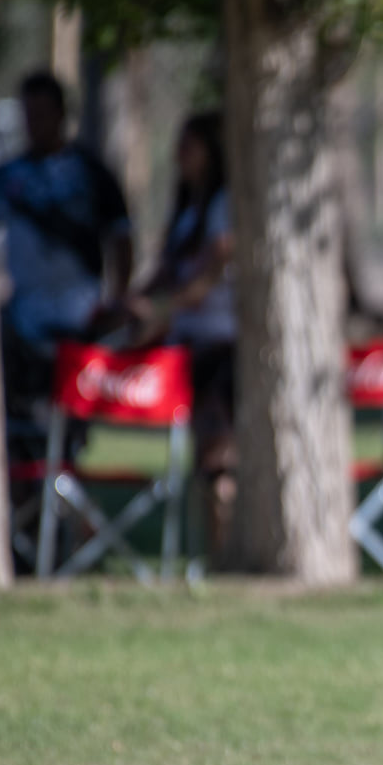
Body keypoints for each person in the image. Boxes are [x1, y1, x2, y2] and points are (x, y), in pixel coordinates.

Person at [125, 112, 236, 557]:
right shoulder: (187, 209)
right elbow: (165, 273)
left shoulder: (224, 204)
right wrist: (130, 302)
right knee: (203, 459)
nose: (179, 156)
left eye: (189, 146)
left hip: (223, 344)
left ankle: (223, 552)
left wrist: (160, 308)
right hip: (187, 347)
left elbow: (210, 276)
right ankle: (211, 555)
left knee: (219, 460)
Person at [0, 71, 133, 365]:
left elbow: (122, 235)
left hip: (81, 312)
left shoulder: (90, 171)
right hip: (23, 314)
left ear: (61, 114)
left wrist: (117, 300)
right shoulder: (6, 177)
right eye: (29, 114)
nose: (34, 123)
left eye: (42, 113)